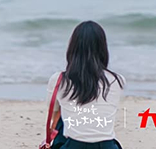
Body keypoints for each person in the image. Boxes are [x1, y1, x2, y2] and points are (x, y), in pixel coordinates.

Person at [46, 21, 125, 149]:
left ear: (73, 48)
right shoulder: (117, 80)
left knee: (62, 112)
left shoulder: (59, 80)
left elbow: (54, 114)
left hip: (74, 146)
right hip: (107, 146)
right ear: (103, 48)